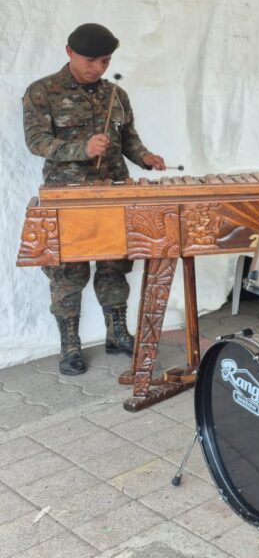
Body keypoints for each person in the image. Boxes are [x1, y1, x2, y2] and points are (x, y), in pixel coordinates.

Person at [22, 23, 167, 375]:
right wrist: (81, 149)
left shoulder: (116, 94)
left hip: (114, 193)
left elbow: (129, 138)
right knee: (67, 273)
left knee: (115, 266)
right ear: (69, 52)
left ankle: (117, 334)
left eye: (105, 61)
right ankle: (70, 345)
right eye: (91, 60)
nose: (98, 68)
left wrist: (145, 157)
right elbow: (36, 141)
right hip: (68, 198)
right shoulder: (42, 92)